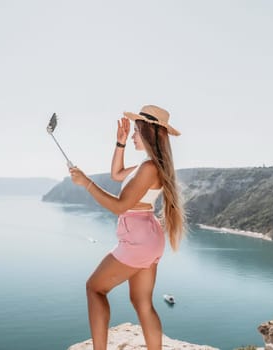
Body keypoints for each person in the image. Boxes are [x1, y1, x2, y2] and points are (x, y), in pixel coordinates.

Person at [69, 104, 185, 350]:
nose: (132, 136)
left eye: (134, 131)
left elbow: (120, 206)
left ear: (147, 131)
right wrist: (119, 143)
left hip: (137, 240)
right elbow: (117, 174)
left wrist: (86, 183)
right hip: (149, 238)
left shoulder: (149, 167)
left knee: (94, 288)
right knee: (143, 302)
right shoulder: (152, 164)